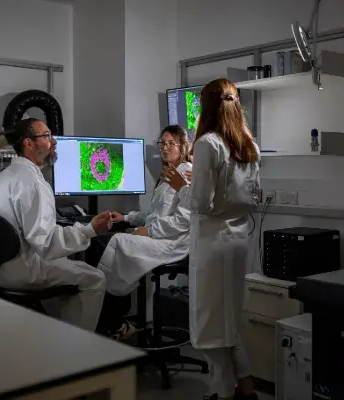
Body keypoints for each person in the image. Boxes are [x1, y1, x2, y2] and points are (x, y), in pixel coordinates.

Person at [162, 78, 261, 400]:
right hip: (236, 242)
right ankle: (246, 389)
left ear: (205, 107)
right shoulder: (248, 145)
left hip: (213, 245)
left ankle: (223, 393)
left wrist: (180, 185)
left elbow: (200, 204)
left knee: (209, 330)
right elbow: (250, 196)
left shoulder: (208, 144)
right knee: (229, 324)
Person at [0, 118, 113, 332]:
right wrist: (90, 229)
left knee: (66, 271)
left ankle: (57, 339)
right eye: (46, 136)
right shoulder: (33, 182)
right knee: (95, 278)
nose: (54, 142)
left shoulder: (4, 177)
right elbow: (46, 243)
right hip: (20, 271)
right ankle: (81, 353)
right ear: (28, 143)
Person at [90, 125, 194, 339]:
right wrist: (127, 217)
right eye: (162, 143)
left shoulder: (186, 174)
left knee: (118, 242)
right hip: (161, 235)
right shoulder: (168, 173)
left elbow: (183, 221)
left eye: (171, 144)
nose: (165, 148)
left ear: (183, 147)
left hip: (174, 242)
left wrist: (148, 231)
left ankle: (112, 320)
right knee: (108, 242)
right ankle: (112, 319)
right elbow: (155, 212)